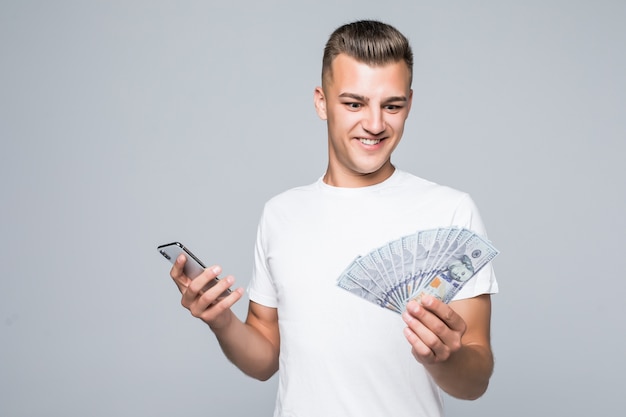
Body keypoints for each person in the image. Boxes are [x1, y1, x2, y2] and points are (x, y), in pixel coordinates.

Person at [170, 20, 498, 417]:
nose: (375, 124)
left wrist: (442, 358)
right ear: (321, 102)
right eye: (354, 103)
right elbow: (265, 359)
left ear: (409, 104)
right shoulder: (281, 215)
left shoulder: (450, 212)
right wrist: (221, 321)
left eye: (391, 105)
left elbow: (475, 380)